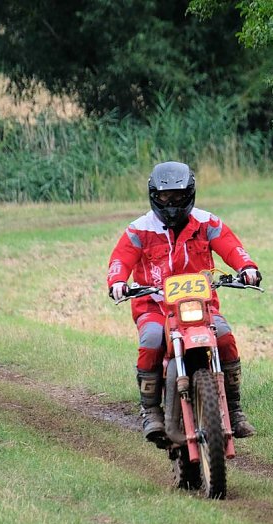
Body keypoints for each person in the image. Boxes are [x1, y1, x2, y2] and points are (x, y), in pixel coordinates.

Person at [106, 161, 261, 442]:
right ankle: (150, 411)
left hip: (201, 307)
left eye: (178, 195)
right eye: (166, 196)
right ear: (154, 195)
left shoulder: (207, 223)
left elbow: (232, 247)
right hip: (154, 306)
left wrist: (247, 267)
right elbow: (120, 259)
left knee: (224, 338)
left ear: (190, 193)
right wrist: (117, 282)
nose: (172, 202)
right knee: (152, 340)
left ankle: (235, 410)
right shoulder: (139, 229)